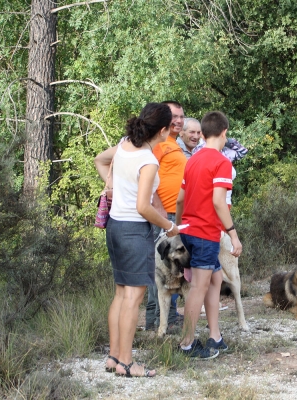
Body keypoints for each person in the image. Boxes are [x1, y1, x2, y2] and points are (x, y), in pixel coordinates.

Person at [94, 103, 179, 377]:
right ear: (163, 130)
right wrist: (168, 226)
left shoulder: (123, 146)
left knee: (121, 294)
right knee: (133, 297)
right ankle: (127, 363)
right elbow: (143, 206)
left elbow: (99, 159)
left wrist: (114, 188)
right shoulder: (148, 159)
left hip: (115, 227)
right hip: (134, 230)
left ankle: (114, 357)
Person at [175, 111, 242, 359]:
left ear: (202, 134)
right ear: (224, 132)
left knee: (215, 280)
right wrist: (233, 235)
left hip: (191, 231)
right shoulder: (221, 162)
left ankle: (215, 336)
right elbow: (218, 202)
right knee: (199, 286)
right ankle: (187, 344)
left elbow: (180, 198)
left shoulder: (193, 159)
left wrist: (180, 227)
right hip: (205, 232)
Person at [145, 101, 187, 332]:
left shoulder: (174, 144)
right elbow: (149, 177)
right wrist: (159, 209)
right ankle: (154, 320)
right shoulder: (159, 144)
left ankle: (169, 316)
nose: (178, 121)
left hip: (175, 214)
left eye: (181, 116)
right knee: (160, 267)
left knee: (173, 267)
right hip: (163, 214)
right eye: (173, 116)